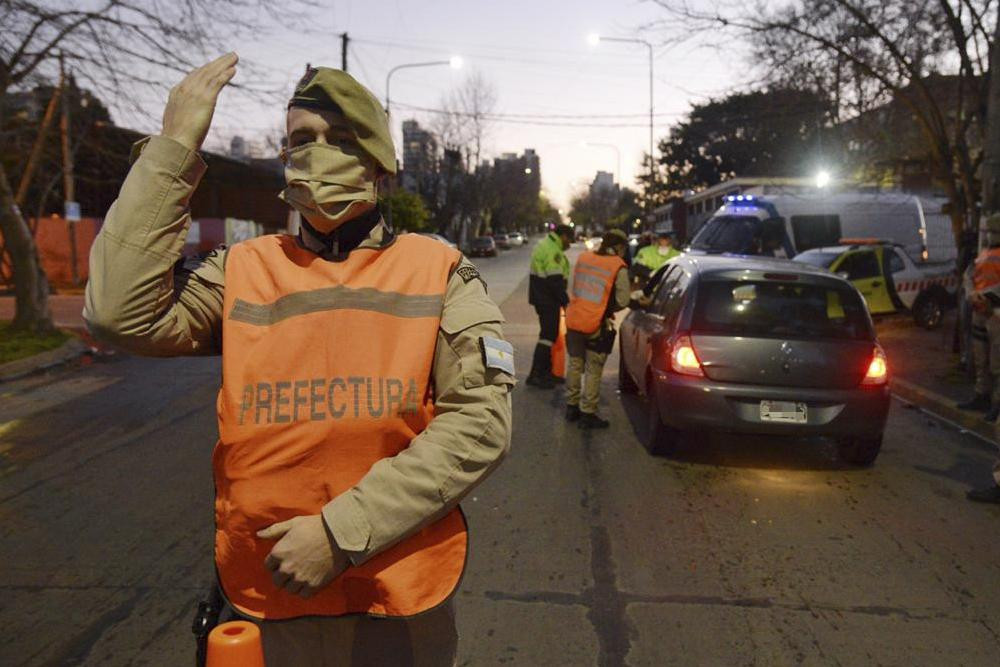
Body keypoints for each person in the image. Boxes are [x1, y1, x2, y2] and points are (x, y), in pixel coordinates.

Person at [84, 55, 513, 665]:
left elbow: (481, 424)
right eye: (300, 141)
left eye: (340, 140)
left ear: (379, 162)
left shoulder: (440, 270)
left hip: (397, 602)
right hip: (267, 595)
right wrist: (173, 149)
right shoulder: (241, 269)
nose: (317, 154)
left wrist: (340, 534)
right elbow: (118, 315)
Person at [563, 229, 631, 429]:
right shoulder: (618, 266)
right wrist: (607, 308)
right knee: (593, 368)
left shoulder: (584, 258)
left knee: (575, 364)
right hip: (596, 323)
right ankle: (588, 413)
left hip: (574, 319)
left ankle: (571, 407)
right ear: (619, 246)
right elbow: (623, 300)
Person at [957, 213, 1000, 422]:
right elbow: (969, 276)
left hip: (995, 313)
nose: (990, 235)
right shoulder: (983, 254)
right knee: (981, 357)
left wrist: (985, 297)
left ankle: (997, 403)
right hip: (981, 311)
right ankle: (982, 395)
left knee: (997, 361)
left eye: (993, 231)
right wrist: (972, 294)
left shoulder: (988, 253)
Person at [527, 224, 573, 388]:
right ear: (564, 236)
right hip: (548, 298)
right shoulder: (553, 250)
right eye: (570, 240)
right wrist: (565, 301)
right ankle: (536, 375)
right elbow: (555, 281)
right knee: (547, 336)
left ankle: (545, 374)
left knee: (549, 335)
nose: (570, 244)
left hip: (542, 297)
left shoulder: (546, 244)